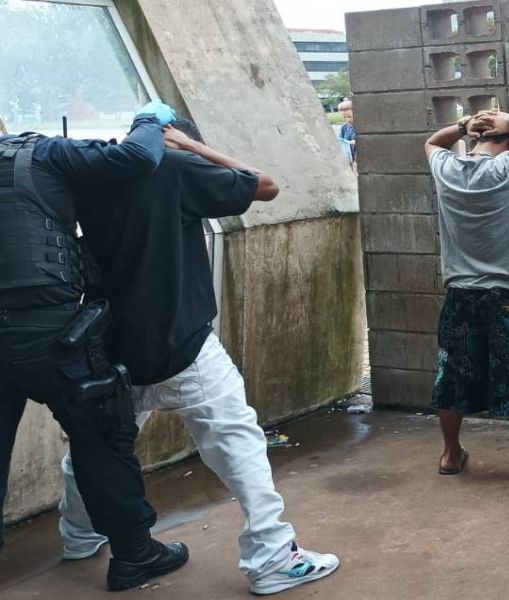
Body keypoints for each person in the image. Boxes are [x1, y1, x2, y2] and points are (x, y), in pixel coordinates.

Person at [56, 119, 340, 595]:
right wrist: (191, 148)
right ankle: (272, 557)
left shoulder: (96, 173)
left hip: (110, 346)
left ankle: (80, 533)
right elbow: (265, 186)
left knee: (98, 448)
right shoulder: (176, 166)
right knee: (238, 443)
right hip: (181, 345)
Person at [0, 103, 189, 591]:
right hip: (55, 336)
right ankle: (134, 554)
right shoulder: (45, 153)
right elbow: (135, 159)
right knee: (102, 439)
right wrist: (149, 120)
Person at [424, 109, 509, 484]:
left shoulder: (447, 169)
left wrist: (464, 126)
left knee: (453, 376)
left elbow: (432, 142)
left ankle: (450, 454)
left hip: (462, 294)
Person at [338, 99, 357, 168]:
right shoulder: (344, 127)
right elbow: (341, 140)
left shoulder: (363, 126)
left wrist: (352, 142)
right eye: (344, 117)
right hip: (349, 159)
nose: (347, 120)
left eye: (349, 117)